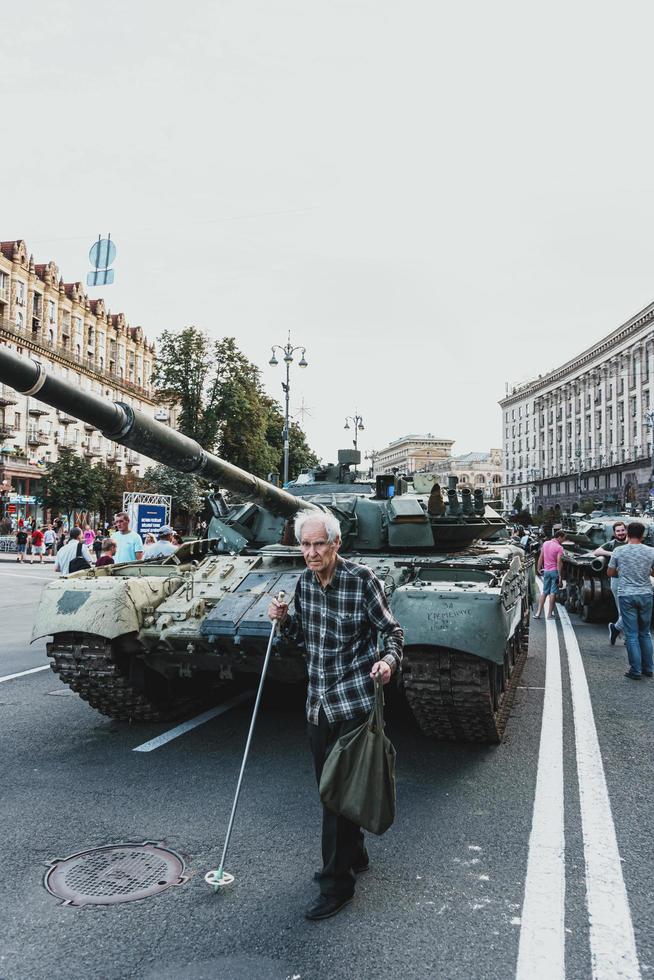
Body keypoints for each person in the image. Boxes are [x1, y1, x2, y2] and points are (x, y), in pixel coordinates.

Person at [268, 511, 404, 922]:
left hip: (354, 702)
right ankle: (355, 853)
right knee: (331, 791)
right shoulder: (304, 584)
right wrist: (284, 621)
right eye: (304, 545)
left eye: (318, 544)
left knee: (334, 796)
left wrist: (388, 662)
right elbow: (304, 640)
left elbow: (392, 632)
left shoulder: (362, 580)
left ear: (335, 544)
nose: (310, 552)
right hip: (318, 704)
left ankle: (336, 884)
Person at [607, 521, 654, 680]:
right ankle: (648, 668)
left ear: (627, 533)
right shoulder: (651, 551)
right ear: (643, 535)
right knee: (645, 633)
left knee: (632, 634)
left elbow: (611, 572)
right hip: (646, 594)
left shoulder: (619, 551)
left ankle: (635, 670)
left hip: (626, 594)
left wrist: (623, 570)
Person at [594, 520, 628, 645]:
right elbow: (597, 551)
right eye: (618, 531)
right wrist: (611, 553)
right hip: (617, 580)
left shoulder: (632, 542)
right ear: (614, 532)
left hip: (633, 580)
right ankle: (625, 637)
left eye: (622, 530)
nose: (620, 533)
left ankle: (616, 629)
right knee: (622, 609)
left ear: (626, 530)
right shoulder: (612, 544)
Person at [535, 529, 566, 619]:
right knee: (553, 593)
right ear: (559, 537)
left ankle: (538, 613)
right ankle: (549, 614)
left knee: (544, 592)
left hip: (546, 571)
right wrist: (560, 576)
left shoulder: (545, 544)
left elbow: (541, 556)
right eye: (563, 538)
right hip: (554, 572)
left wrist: (538, 568)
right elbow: (559, 562)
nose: (564, 540)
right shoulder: (559, 548)